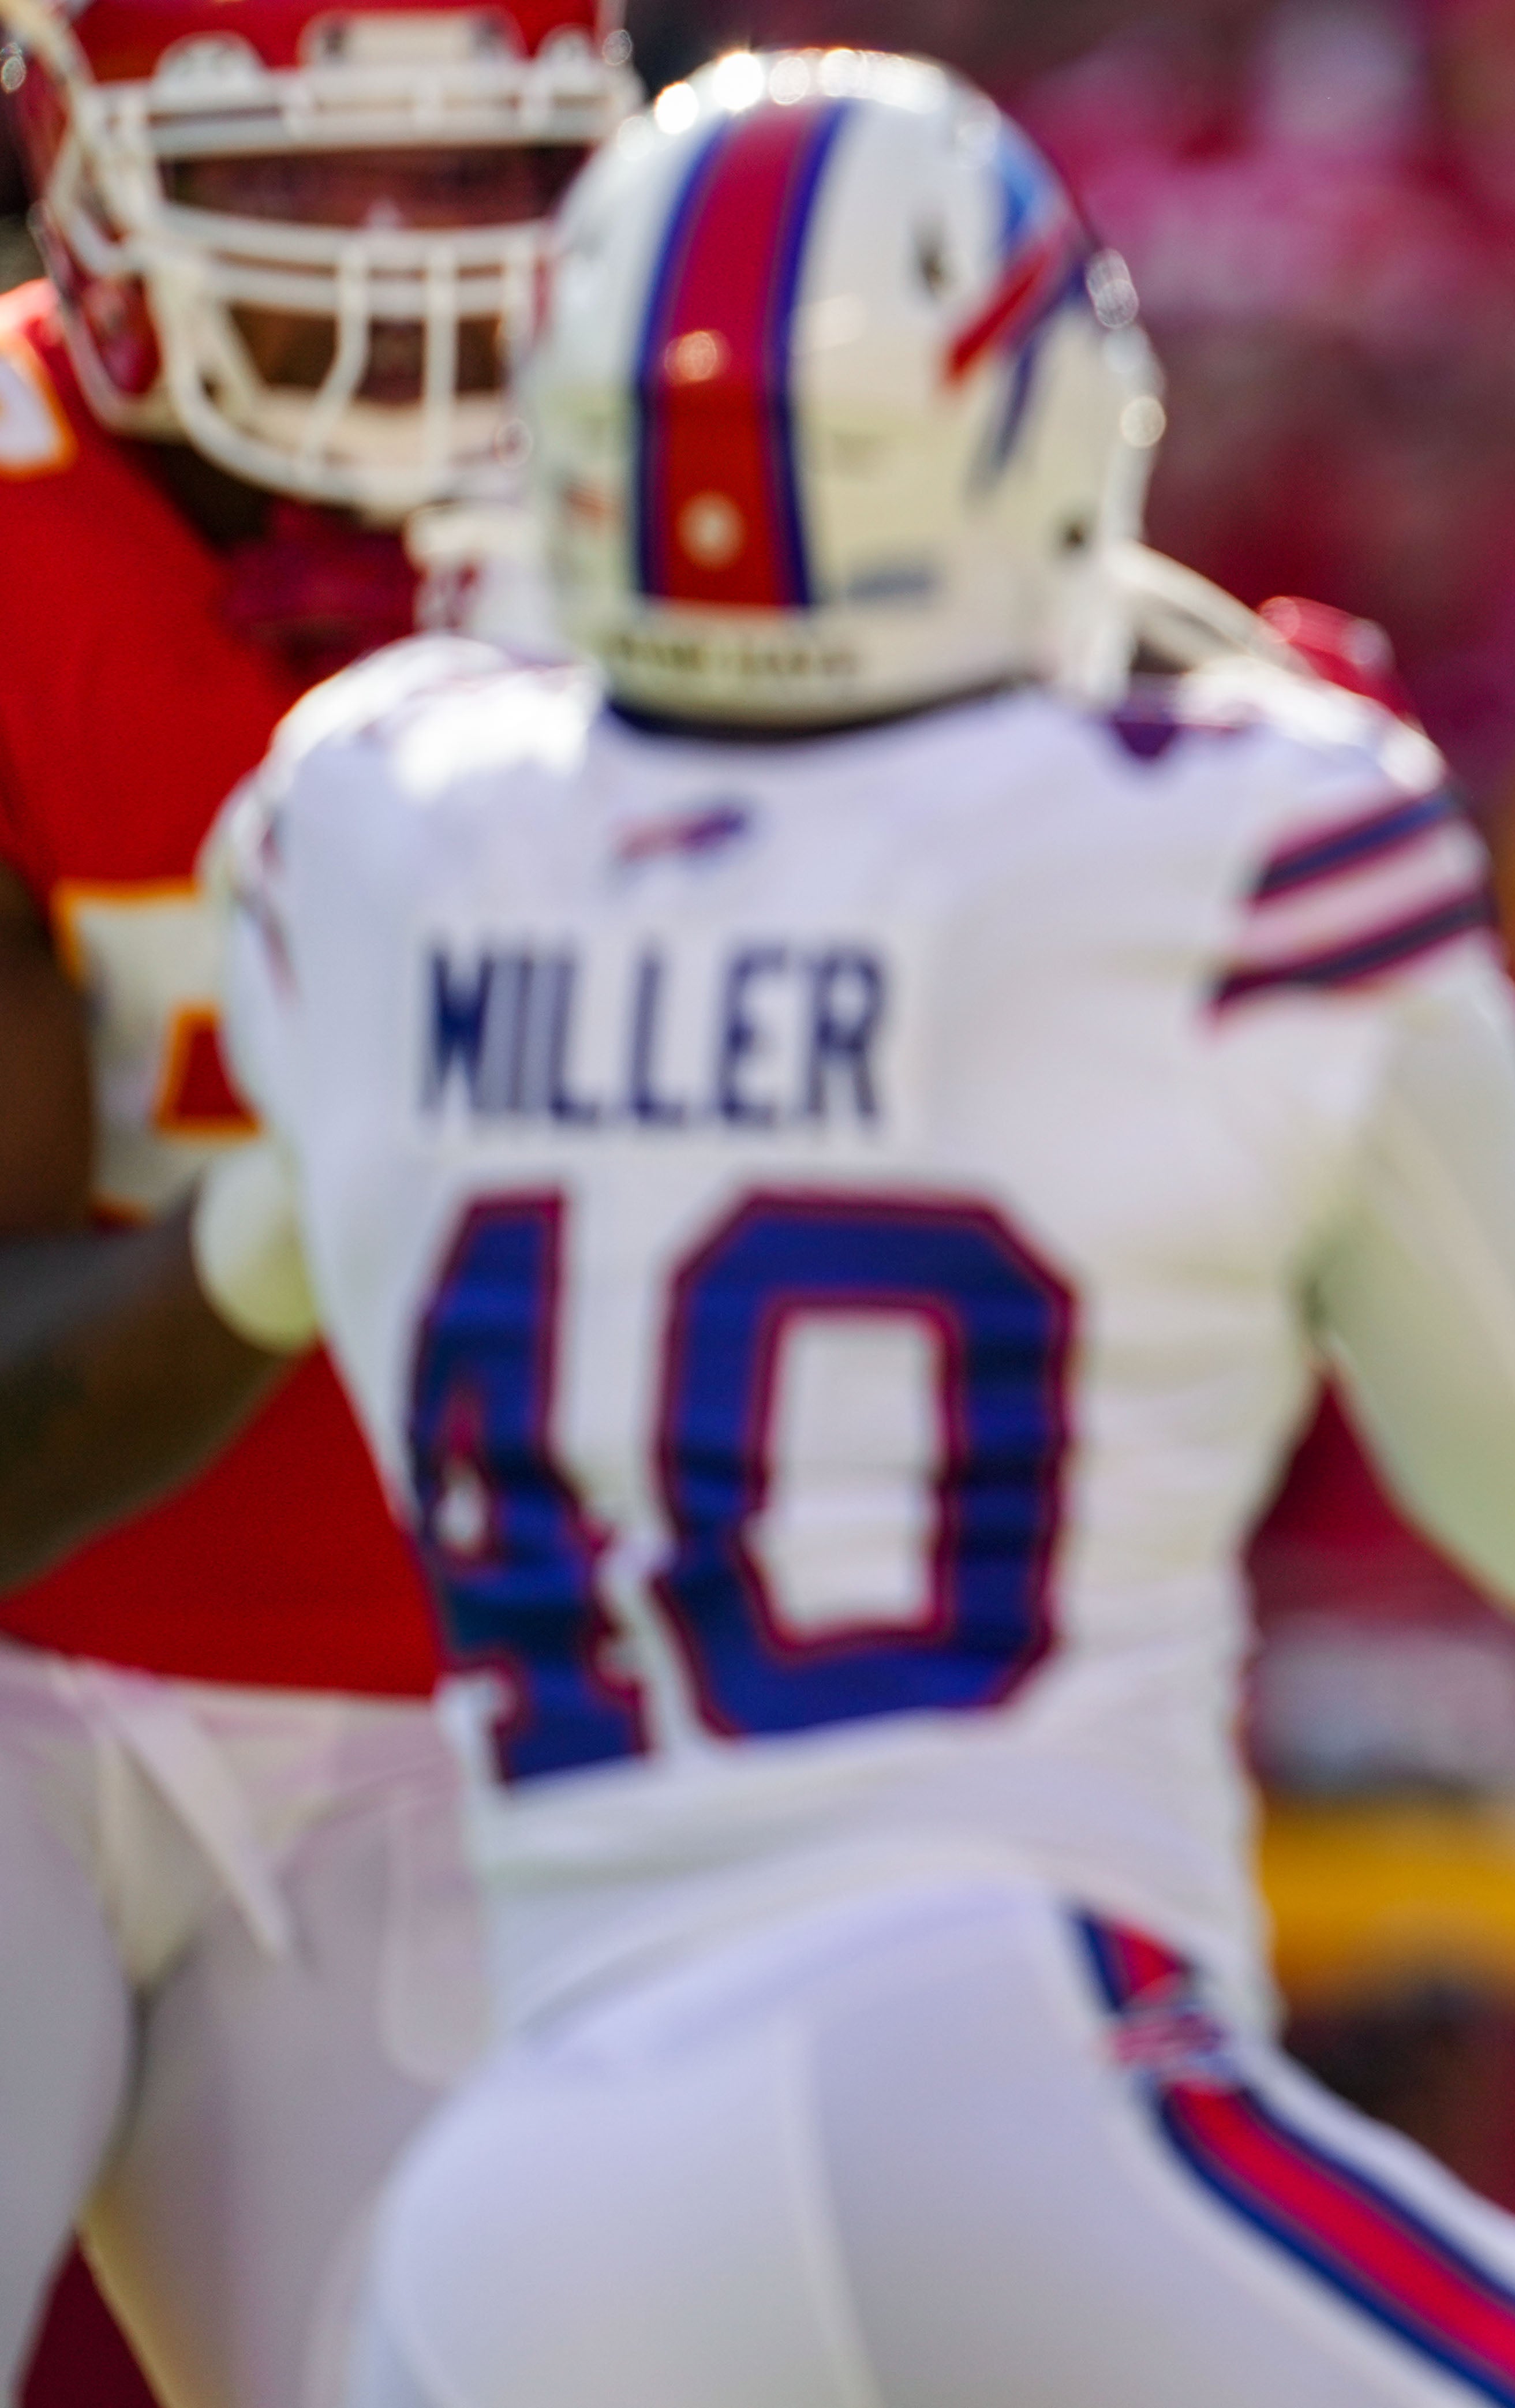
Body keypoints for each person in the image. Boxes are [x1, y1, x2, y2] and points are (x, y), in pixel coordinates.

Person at [203, 45, 1515, 2408]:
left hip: (518, 2188)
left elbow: (348, 1165)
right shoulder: (1255, 836)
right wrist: (1368, 903)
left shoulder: (365, 819)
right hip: (1000, 2062)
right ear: (1030, 420)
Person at [0, 6, 631, 2400]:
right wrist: (295, 1218)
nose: (409, 269)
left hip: (430, 1699)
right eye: (306, 178)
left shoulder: (704, 535)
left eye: (477, 183)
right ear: (78, 161)